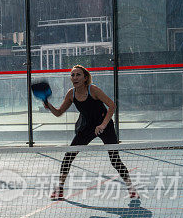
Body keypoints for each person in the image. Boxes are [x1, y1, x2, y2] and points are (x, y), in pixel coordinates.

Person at [44, 65, 137, 201]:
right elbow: (58, 112)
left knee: (115, 160)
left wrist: (103, 125)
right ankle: (59, 189)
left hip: (104, 125)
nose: (74, 77)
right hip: (86, 127)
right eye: (72, 75)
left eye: (78, 75)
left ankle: (131, 188)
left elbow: (112, 105)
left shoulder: (93, 90)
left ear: (85, 78)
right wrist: (49, 106)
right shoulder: (71, 93)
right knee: (68, 156)